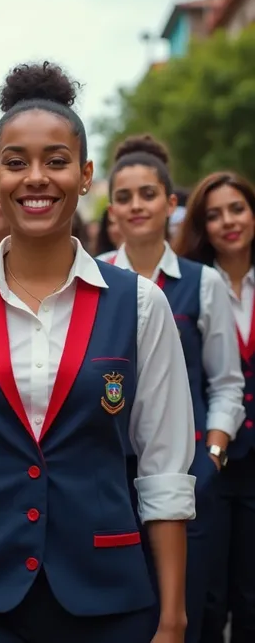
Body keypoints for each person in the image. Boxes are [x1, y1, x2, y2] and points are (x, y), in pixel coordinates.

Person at [0, 62, 196, 643]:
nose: (36, 178)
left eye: (56, 161)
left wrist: (174, 620)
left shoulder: (140, 305)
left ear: (84, 177)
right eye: (15, 163)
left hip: (107, 595)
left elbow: (163, 472)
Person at [105, 136, 245, 643]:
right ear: (111, 207)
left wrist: (212, 456)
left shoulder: (202, 282)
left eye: (147, 194)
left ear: (170, 203)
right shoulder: (91, 278)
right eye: (124, 196)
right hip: (106, 473)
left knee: (188, 611)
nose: (136, 206)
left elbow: (227, 383)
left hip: (187, 474)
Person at [173, 171, 255, 643]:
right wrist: (212, 456)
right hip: (213, 462)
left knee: (250, 595)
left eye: (238, 209)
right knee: (207, 596)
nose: (228, 221)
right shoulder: (192, 283)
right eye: (214, 214)